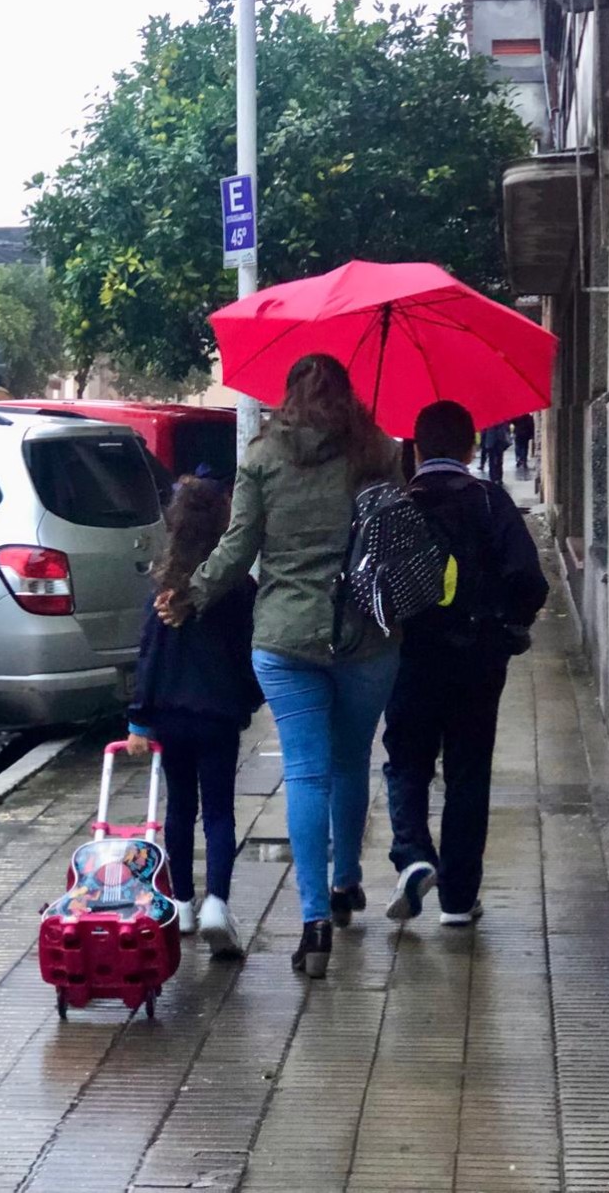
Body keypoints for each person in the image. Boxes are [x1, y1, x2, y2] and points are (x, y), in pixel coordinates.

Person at [157, 355, 403, 979]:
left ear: (288, 395)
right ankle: (346, 882)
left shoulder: (262, 458)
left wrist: (193, 591)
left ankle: (314, 922)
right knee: (352, 762)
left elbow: (237, 548)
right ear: (346, 394)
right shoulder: (377, 452)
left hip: (285, 640)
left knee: (305, 773)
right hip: (367, 636)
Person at [383, 400, 548, 927]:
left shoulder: (396, 507)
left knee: (406, 761)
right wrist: (507, 626)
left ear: (415, 447)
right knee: (468, 774)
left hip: (409, 660)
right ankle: (457, 900)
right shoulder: (488, 503)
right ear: (471, 447)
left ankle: (411, 855)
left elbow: (372, 588)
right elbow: (530, 580)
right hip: (478, 661)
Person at [127, 475, 260, 959]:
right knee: (220, 811)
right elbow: (250, 650)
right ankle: (217, 904)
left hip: (171, 716)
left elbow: (149, 656)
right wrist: (250, 700)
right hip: (219, 714)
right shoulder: (239, 587)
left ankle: (181, 903)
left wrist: (139, 719)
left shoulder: (164, 588)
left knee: (180, 810)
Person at [481, 421, 511, 485]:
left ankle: (494, 478)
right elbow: (507, 429)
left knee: (494, 461)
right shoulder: (502, 420)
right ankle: (497, 477)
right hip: (496, 442)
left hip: (493, 442)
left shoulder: (489, 421)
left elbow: (483, 432)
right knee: (497, 460)